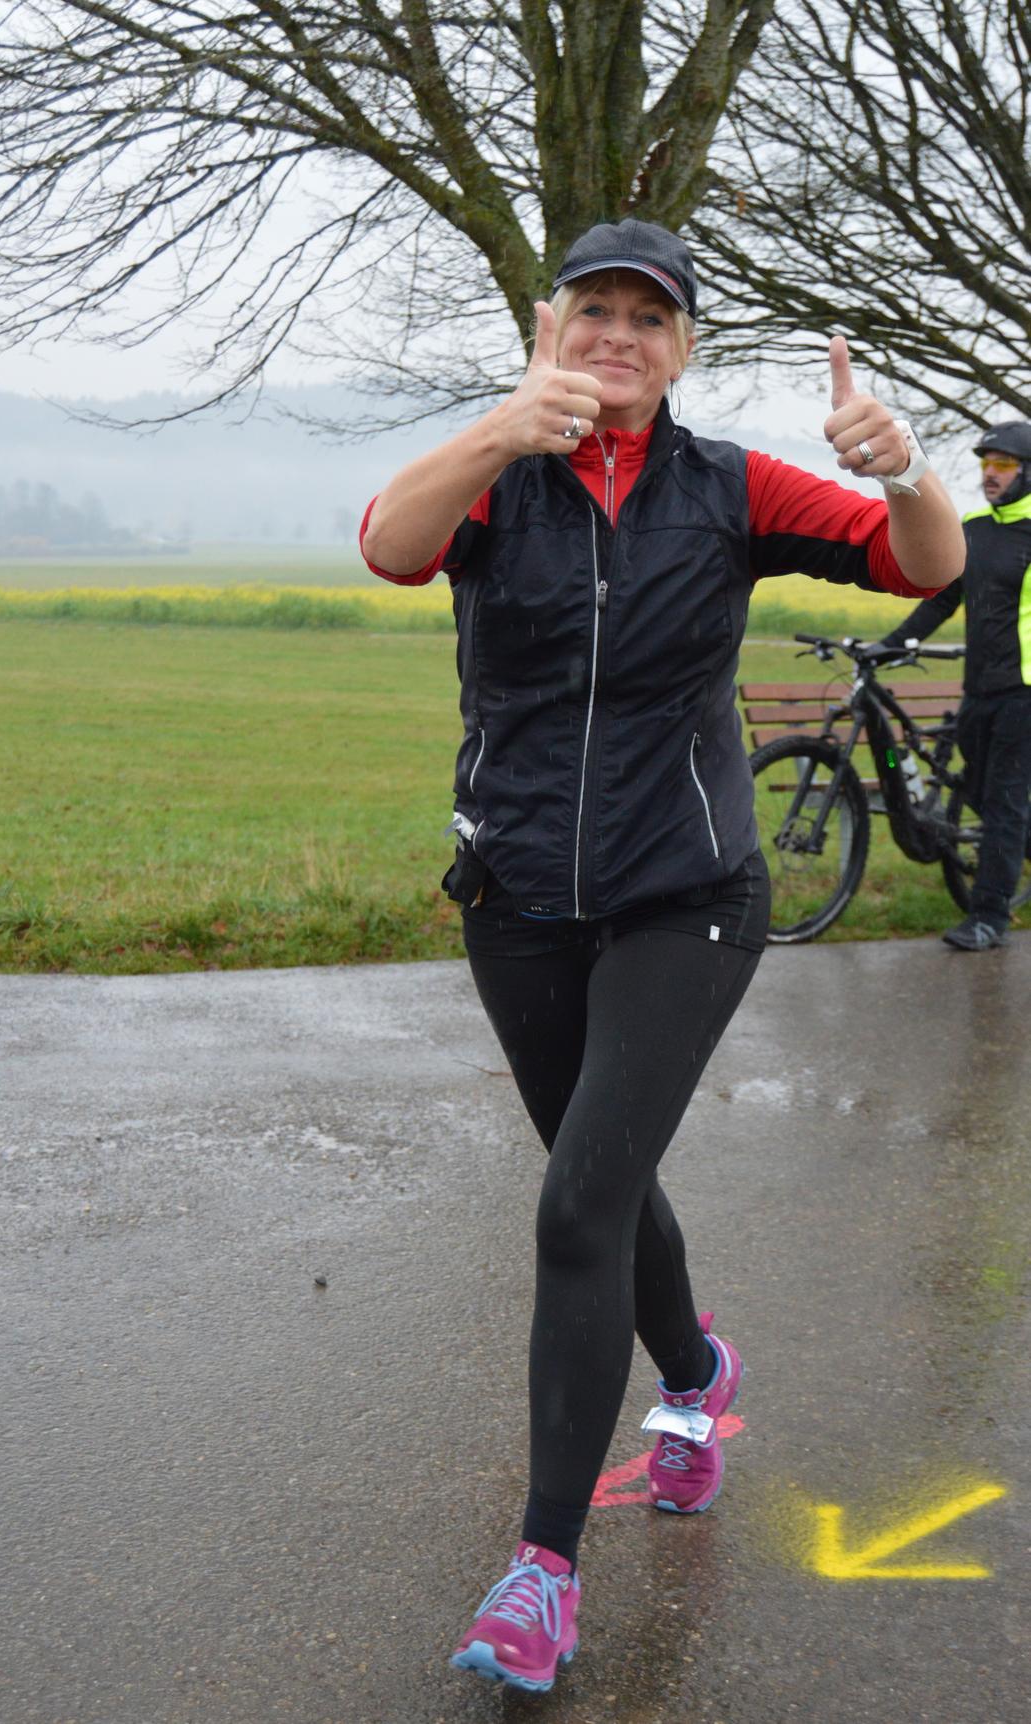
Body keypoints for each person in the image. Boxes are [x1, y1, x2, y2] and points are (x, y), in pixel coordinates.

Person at [361, 219, 965, 1695]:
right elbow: (388, 544)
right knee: (607, 1181)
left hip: (685, 891)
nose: (619, 335)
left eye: (650, 316)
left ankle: (543, 1569)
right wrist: (502, 427)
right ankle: (696, 1375)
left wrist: (904, 467)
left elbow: (921, 563)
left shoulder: (728, 488)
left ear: (683, 346)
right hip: (517, 892)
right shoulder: (496, 477)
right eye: (596, 310)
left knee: (578, 1199)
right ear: (551, 327)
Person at [880, 423, 1031, 950]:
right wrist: (891, 645)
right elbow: (944, 598)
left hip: (1024, 692)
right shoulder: (974, 528)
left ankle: (988, 917)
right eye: (987, 463)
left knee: (1004, 803)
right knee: (983, 796)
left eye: (1004, 464)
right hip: (979, 689)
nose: (991, 473)